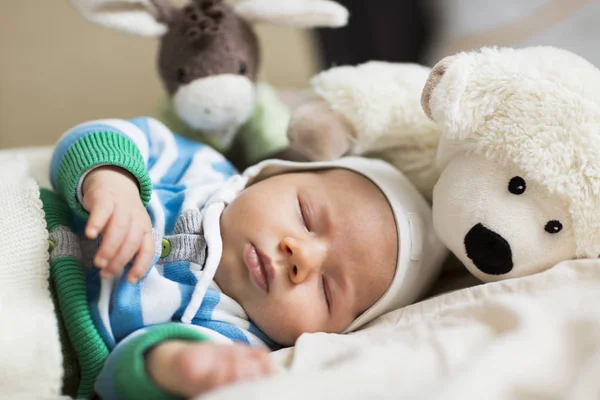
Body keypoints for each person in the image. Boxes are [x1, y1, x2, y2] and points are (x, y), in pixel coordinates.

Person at [44, 117, 444, 399]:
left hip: (46, 337)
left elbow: (124, 370)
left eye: (327, 288)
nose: (300, 255)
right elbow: (106, 136)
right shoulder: (201, 170)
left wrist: (179, 367)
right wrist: (115, 183)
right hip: (34, 224)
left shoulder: (236, 339)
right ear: (270, 175)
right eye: (305, 216)